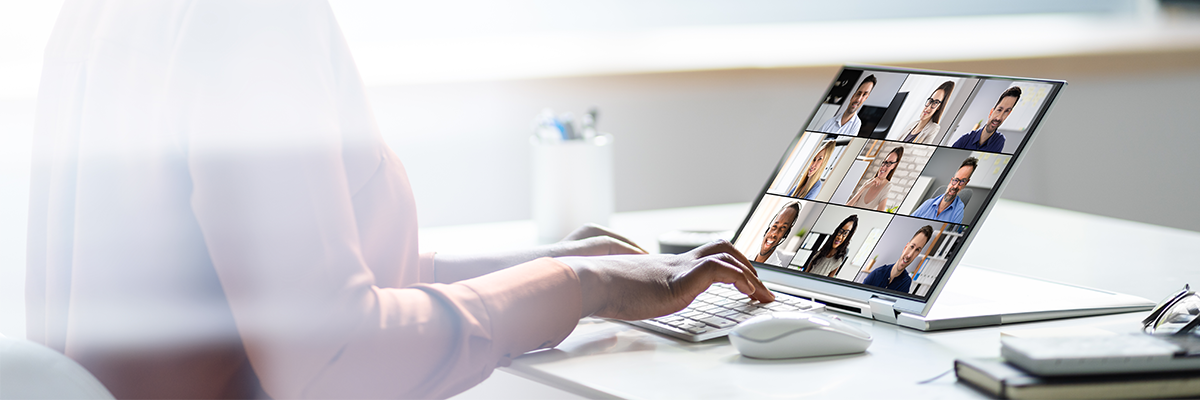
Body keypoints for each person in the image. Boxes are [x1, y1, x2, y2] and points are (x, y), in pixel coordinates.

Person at [23, 2, 774, 399]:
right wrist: (584, 287)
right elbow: (334, 358)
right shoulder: (252, 18)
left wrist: (541, 264)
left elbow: (267, 293)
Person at [862, 225, 934, 293]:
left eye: (917, 250)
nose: (910, 255)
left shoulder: (906, 283)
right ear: (905, 247)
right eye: (912, 247)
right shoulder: (877, 273)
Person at [951, 86, 1022, 152]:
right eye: (999, 110)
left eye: (1006, 112)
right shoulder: (965, 139)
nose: (999, 118)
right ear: (991, 112)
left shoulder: (999, 141)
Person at [911, 157, 978, 223]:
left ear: (965, 184)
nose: (955, 186)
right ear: (951, 180)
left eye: (962, 181)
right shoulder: (928, 203)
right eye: (956, 180)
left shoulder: (958, 211)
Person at [846, 146, 903, 212]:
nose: (884, 167)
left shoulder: (887, 186)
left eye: (890, 163)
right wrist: (864, 187)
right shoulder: (868, 182)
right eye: (885, 162)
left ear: (894, 165)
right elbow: (847, 206)